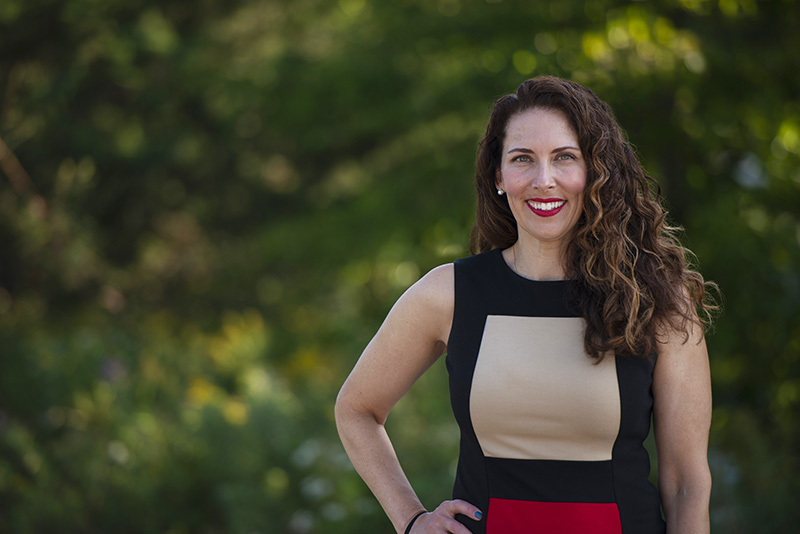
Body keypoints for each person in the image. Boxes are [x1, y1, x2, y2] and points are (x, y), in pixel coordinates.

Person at [335, 75, 717, 534]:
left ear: (595, 170)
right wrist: (411, 519)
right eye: (522, 159)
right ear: (499, 175)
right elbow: (356, 409)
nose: (544, 180)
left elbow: (686, 484)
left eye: (564, 158)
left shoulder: (656, 300)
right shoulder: (449, 294)